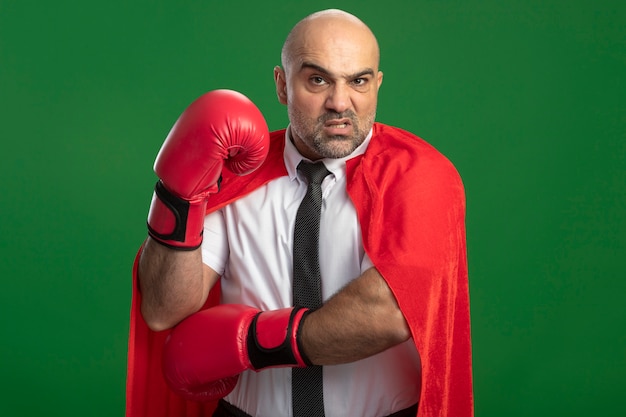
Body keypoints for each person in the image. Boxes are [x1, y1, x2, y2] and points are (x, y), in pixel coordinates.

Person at [125, 9, 473, 417]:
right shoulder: (237, 174)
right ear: (282, 85)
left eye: (358, 81)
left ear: (377, 84)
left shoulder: (420, 175)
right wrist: (178, 196)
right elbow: (164, 310)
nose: (340, 102)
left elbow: (390, 313)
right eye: (318, 79)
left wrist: (250, 341)